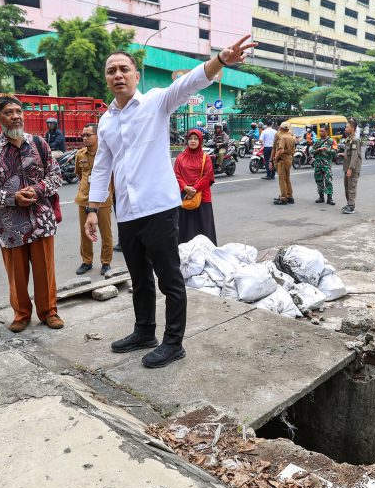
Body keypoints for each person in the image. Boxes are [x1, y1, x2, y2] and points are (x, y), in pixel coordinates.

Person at [84, 35, 256, 369]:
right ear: (106, 80)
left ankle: (173, 342)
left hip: (160, 209)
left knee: (169, 279)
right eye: (111, 71)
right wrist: (93, 209)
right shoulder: (106, 122)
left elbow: (192, 81)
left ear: (136, 76)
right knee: (140, 278)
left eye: (123, 69)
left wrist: (220, 59)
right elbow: (102, 166)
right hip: (128, 212)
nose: (117, 75)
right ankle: (144, 331)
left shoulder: (156, 102)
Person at [0, 94, 65, 333]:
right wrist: (12, 198)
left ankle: (49, 312)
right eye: (8, 112)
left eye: (18, 111)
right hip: (10, 225)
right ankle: (21, 314)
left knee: (45, 270)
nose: (15, 116)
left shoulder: (39, 144)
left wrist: (37, 190)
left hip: (42, 221)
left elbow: (56, 176)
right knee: (17, 275)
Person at [74, 123, 113, 276]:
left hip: (102, 200)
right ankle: (86, 261)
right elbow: (78, 174)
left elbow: (113, 177)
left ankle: (106, 262)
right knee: (85, 232)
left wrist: (110, 194)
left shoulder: (106, 154)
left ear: (97, 136)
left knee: (105, 232)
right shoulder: (80, 155)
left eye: (88, 135)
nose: (85, 138)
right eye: (83, 135)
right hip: (84, 198)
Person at [175, 129, 217, 244]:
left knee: (204, 230)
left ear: (200, 141)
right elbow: (176, 175)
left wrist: (193, 189)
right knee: (185, 229)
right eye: (190, 138)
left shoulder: (206, 158)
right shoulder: (180, 158)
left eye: (196, 139)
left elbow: (208, 177)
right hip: (185, 198)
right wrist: (185, 188)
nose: (193, 141)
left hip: (202, 198)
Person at [272, 122, 296, 205]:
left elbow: (280, 150)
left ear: (281, 128)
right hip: (289, 158)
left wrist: (275, 159)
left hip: (282, 159)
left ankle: (283, 198)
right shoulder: (292, 137)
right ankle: (289, 196)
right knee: (287, 179)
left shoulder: (282, 137)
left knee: (282, 180)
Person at [341, 118, 362, 214]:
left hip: (352, 168)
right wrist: (343, 155)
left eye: (347, 127)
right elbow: (348, 153)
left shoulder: (355, 140)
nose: (345, 128)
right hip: (347, 167)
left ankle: (351, 206)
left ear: (353, 128)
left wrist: (350, 169)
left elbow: (354, 156)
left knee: (351, 187)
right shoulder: (348, 139)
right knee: (346, 186)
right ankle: (349, 203)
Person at [312, 126, 335, 205]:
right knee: (319, 181)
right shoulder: (317, 141)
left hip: (326, 165)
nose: (320, 132)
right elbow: (311, 150)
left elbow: (335, 151)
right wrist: (316, 150)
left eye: (322, 131)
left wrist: (326, 149)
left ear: (326, 132)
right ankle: (321, 197)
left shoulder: (331, 141)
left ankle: (330, 198)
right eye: (320, 131)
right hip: (318, 164)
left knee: (328, 180)